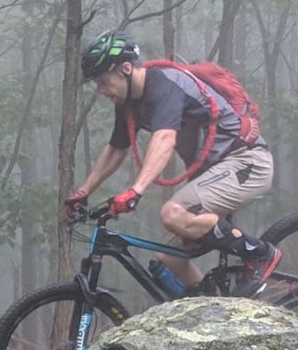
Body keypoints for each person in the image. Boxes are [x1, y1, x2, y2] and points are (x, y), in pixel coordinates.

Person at [62, 32, 275, 291]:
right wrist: (83, 192)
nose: (101, 90)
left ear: (126, 69)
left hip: (246, 162)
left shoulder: (164, 84)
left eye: (104, 81)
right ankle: (214, 307)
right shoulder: (128, 103)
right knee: (169, 254)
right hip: (219, 171)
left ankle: (260, 254)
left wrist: (135, 191)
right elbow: (117, 150)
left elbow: (164, 139)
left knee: (172, 213)